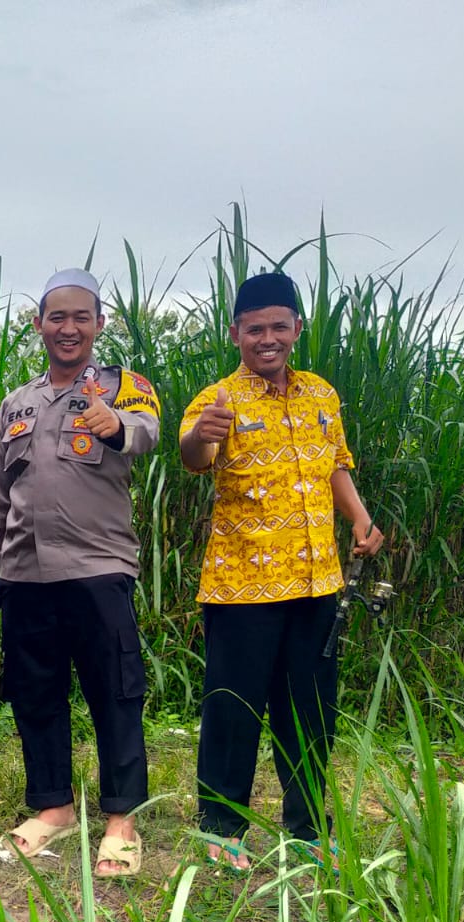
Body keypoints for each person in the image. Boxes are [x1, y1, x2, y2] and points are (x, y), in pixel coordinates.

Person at [178, 271, 383, 870]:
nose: (267, 339)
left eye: (278, 327)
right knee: (233, 710)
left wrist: (361, 521)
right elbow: (195, 457)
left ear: (297, 328)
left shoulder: (321, 394)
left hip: (318, 581)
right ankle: (220, 829)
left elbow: (336, 465)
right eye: (254, 329)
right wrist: (200, 437)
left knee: (311, 712)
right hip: (242, 587)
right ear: (235, 333)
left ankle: (307, 830)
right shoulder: (218, 397)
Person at [0, 269, 161, 878]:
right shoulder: (16, 402)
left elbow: (148, 432)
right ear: (38, 325)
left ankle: (122, 818)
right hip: (24, 574)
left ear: (99, 325)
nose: (68, 328)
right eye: (57, 317)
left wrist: (116, 425)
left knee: (114, 692)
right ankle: (52, 808)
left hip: (97, 566)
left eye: (81, 318)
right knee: (36, 694)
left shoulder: (127, 386)